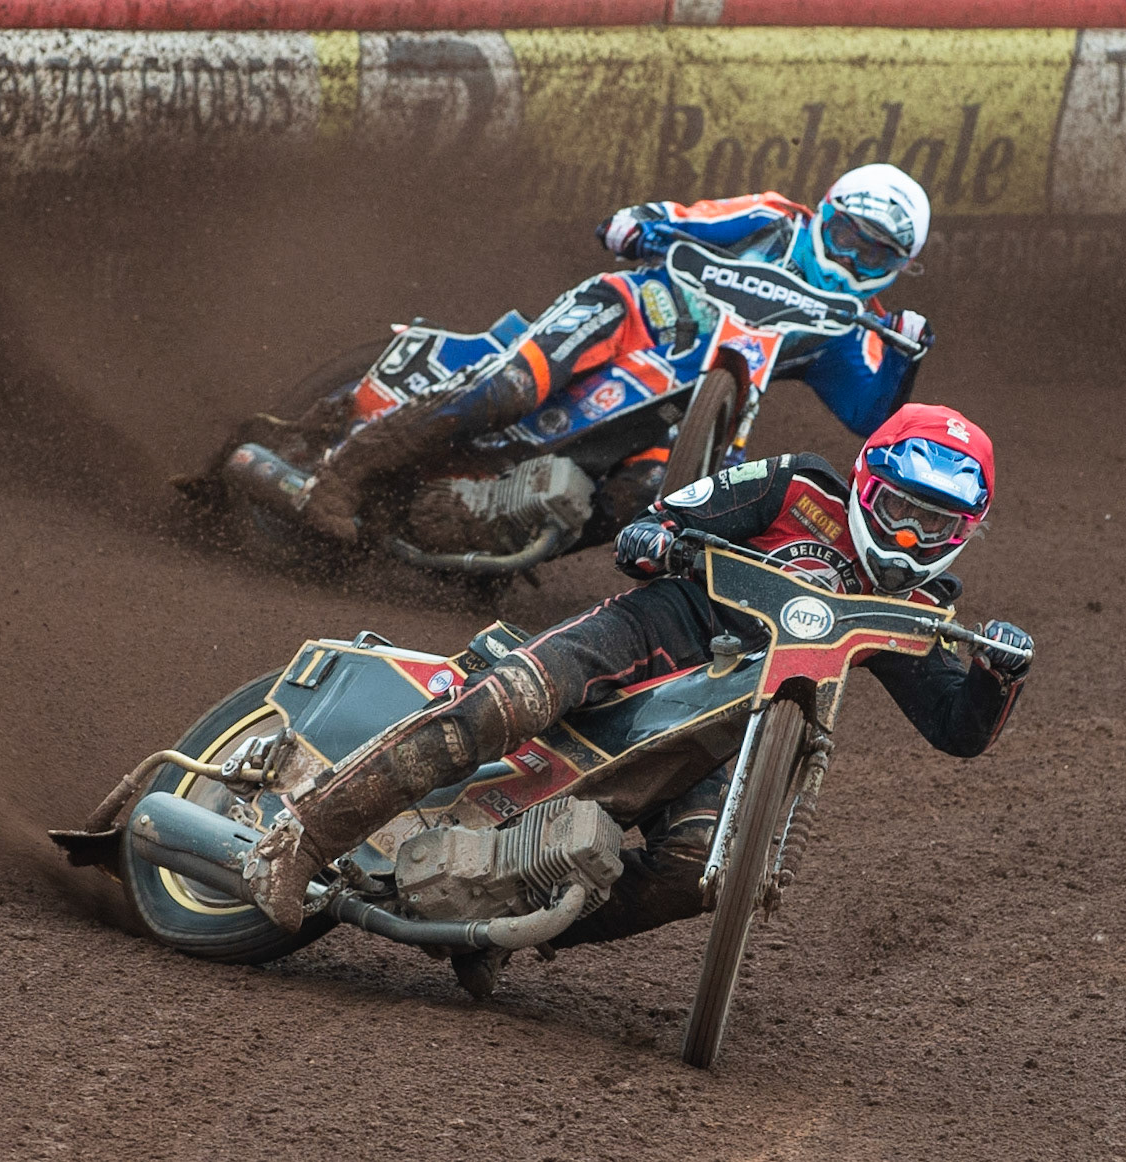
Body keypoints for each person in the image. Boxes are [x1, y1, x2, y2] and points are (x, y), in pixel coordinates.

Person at [245, 403, 1035, 994]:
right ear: (867, 484)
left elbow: (955, 729)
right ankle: (300, 841)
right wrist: (655, 535)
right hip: (652, 633)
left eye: (934, 525)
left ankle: (496, 931)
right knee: (504, 705)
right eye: (900, 511)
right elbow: (668, 518)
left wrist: (997, 674)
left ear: (966, 530)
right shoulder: (796, 485)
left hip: (729, 735)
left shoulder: (921, 611)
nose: (908, 539)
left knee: (694, 871)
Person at [302, 163, 939, 541]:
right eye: (847, 236)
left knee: (646, 495)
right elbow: (687, 218)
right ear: (825, 214)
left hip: (681, 405)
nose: (851, 258)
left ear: (897, 267)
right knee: (513, 390)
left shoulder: (854, 326)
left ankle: (500, 531)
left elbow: (868, 417)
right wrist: (637, 225)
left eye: (873, 254)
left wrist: (906, 356)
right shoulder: (775, 220)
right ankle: (348, 467)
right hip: (630, 314)